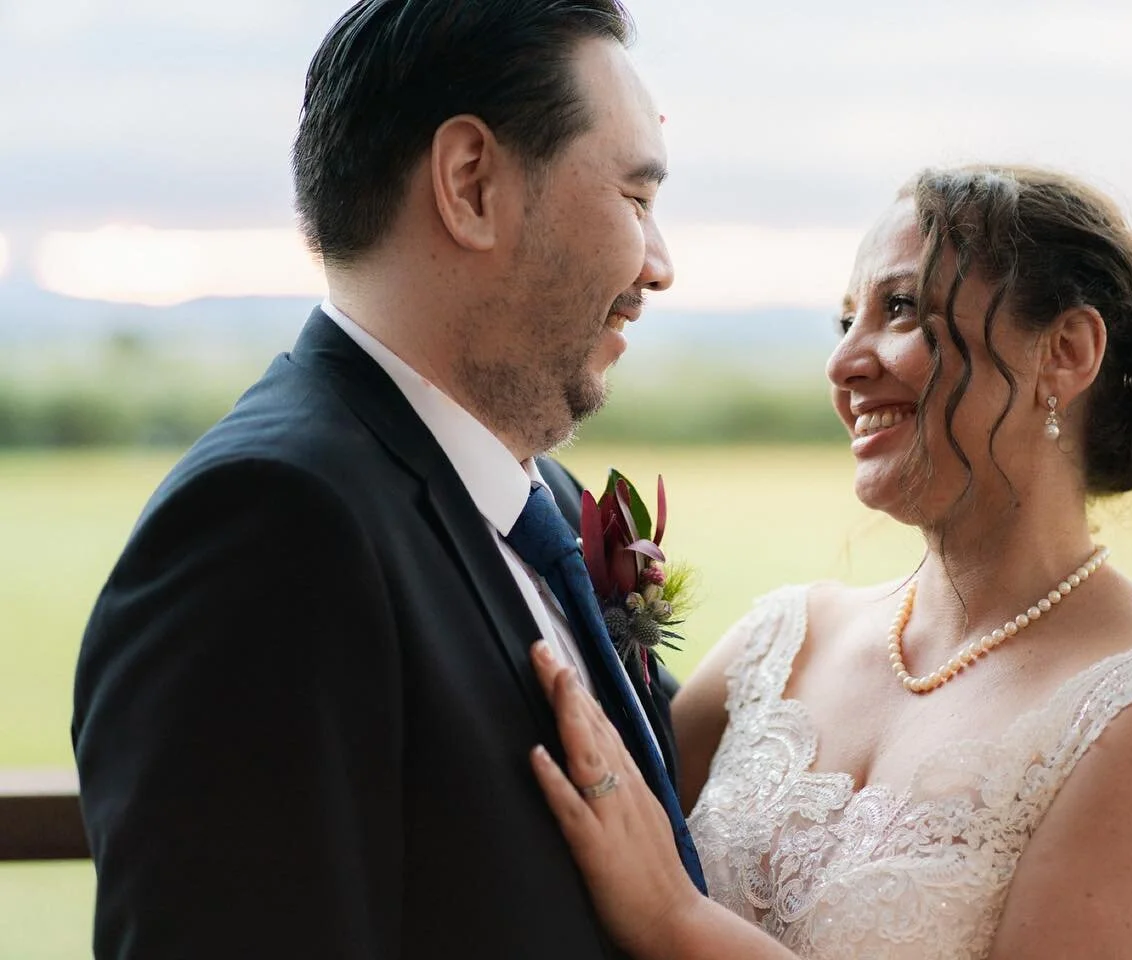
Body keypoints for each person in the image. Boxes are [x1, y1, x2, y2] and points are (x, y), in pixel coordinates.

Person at [71, 1, 701, 957]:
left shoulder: (553, 511)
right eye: (637, 200)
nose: (660, 266)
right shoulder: (267, 534)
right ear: (470, 184)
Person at [529, 165, 1132, 959]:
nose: (844, 364)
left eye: (901, 308)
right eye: (845, 321)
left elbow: (657, 897)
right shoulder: (778, 644)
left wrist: (677, 921)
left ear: (1066, 350)